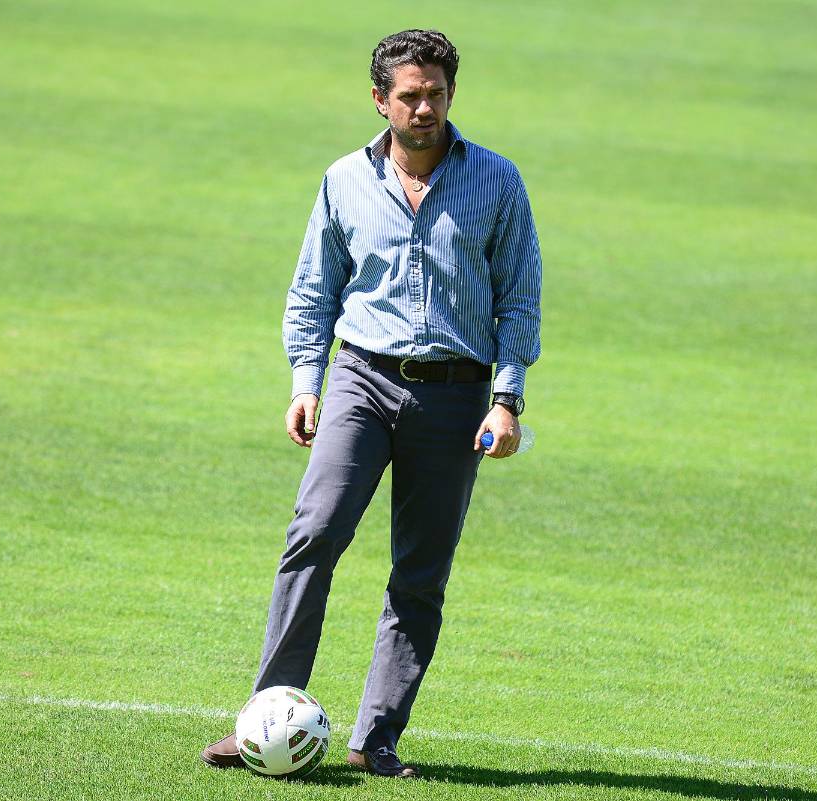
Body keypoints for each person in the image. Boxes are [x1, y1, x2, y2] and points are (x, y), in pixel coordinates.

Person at [200, 28, 541, 778]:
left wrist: (507, 399)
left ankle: (376, 739)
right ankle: (266, 717)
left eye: (436, 94)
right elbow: (313, 290)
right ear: (381, 99)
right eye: (410, 95)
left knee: (420, 572)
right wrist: (306, 382)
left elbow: (519, 297)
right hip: (360, 379)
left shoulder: (498, 180)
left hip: (456, 396)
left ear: (452, 94)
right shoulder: (343, 179)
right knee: (314, 532)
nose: (425, 108)